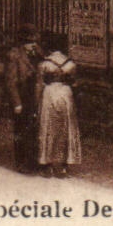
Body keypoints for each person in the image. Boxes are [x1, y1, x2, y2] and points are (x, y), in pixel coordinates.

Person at [35, 33, 82, 178]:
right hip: (65, 94)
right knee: (66, 127)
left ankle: (46, 164)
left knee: (47, 126)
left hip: (49, 93)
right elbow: (75, 84)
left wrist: (37, 103)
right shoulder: (71, 64)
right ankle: (63, 166)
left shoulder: (44, 64)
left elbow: (39, 84)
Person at [3, 25, 42, 173]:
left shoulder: (37, 52)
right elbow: (10, 81)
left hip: (34, 96)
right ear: (22, 43)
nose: (33, 45)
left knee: (33, 129)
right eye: (30, 42)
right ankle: (21, 162)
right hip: (21, 96)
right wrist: (16, 103)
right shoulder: (13, 56)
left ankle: (33, 161)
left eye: (34, 42)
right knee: (20, 130)